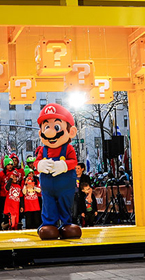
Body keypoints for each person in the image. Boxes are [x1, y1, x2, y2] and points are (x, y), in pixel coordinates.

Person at [35, 103, 82, 240]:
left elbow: (73, 161)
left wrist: (64, 165)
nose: (50, 132)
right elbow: (37, 162)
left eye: (56, 127)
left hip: (65, 186)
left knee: (65, 204)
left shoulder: (68, 148)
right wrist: (40, 165)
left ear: (71, 131)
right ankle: (49, 225)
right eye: (46, 127)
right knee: (48, 205)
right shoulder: (42, 150)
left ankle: (66, 224)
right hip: (48, 188)